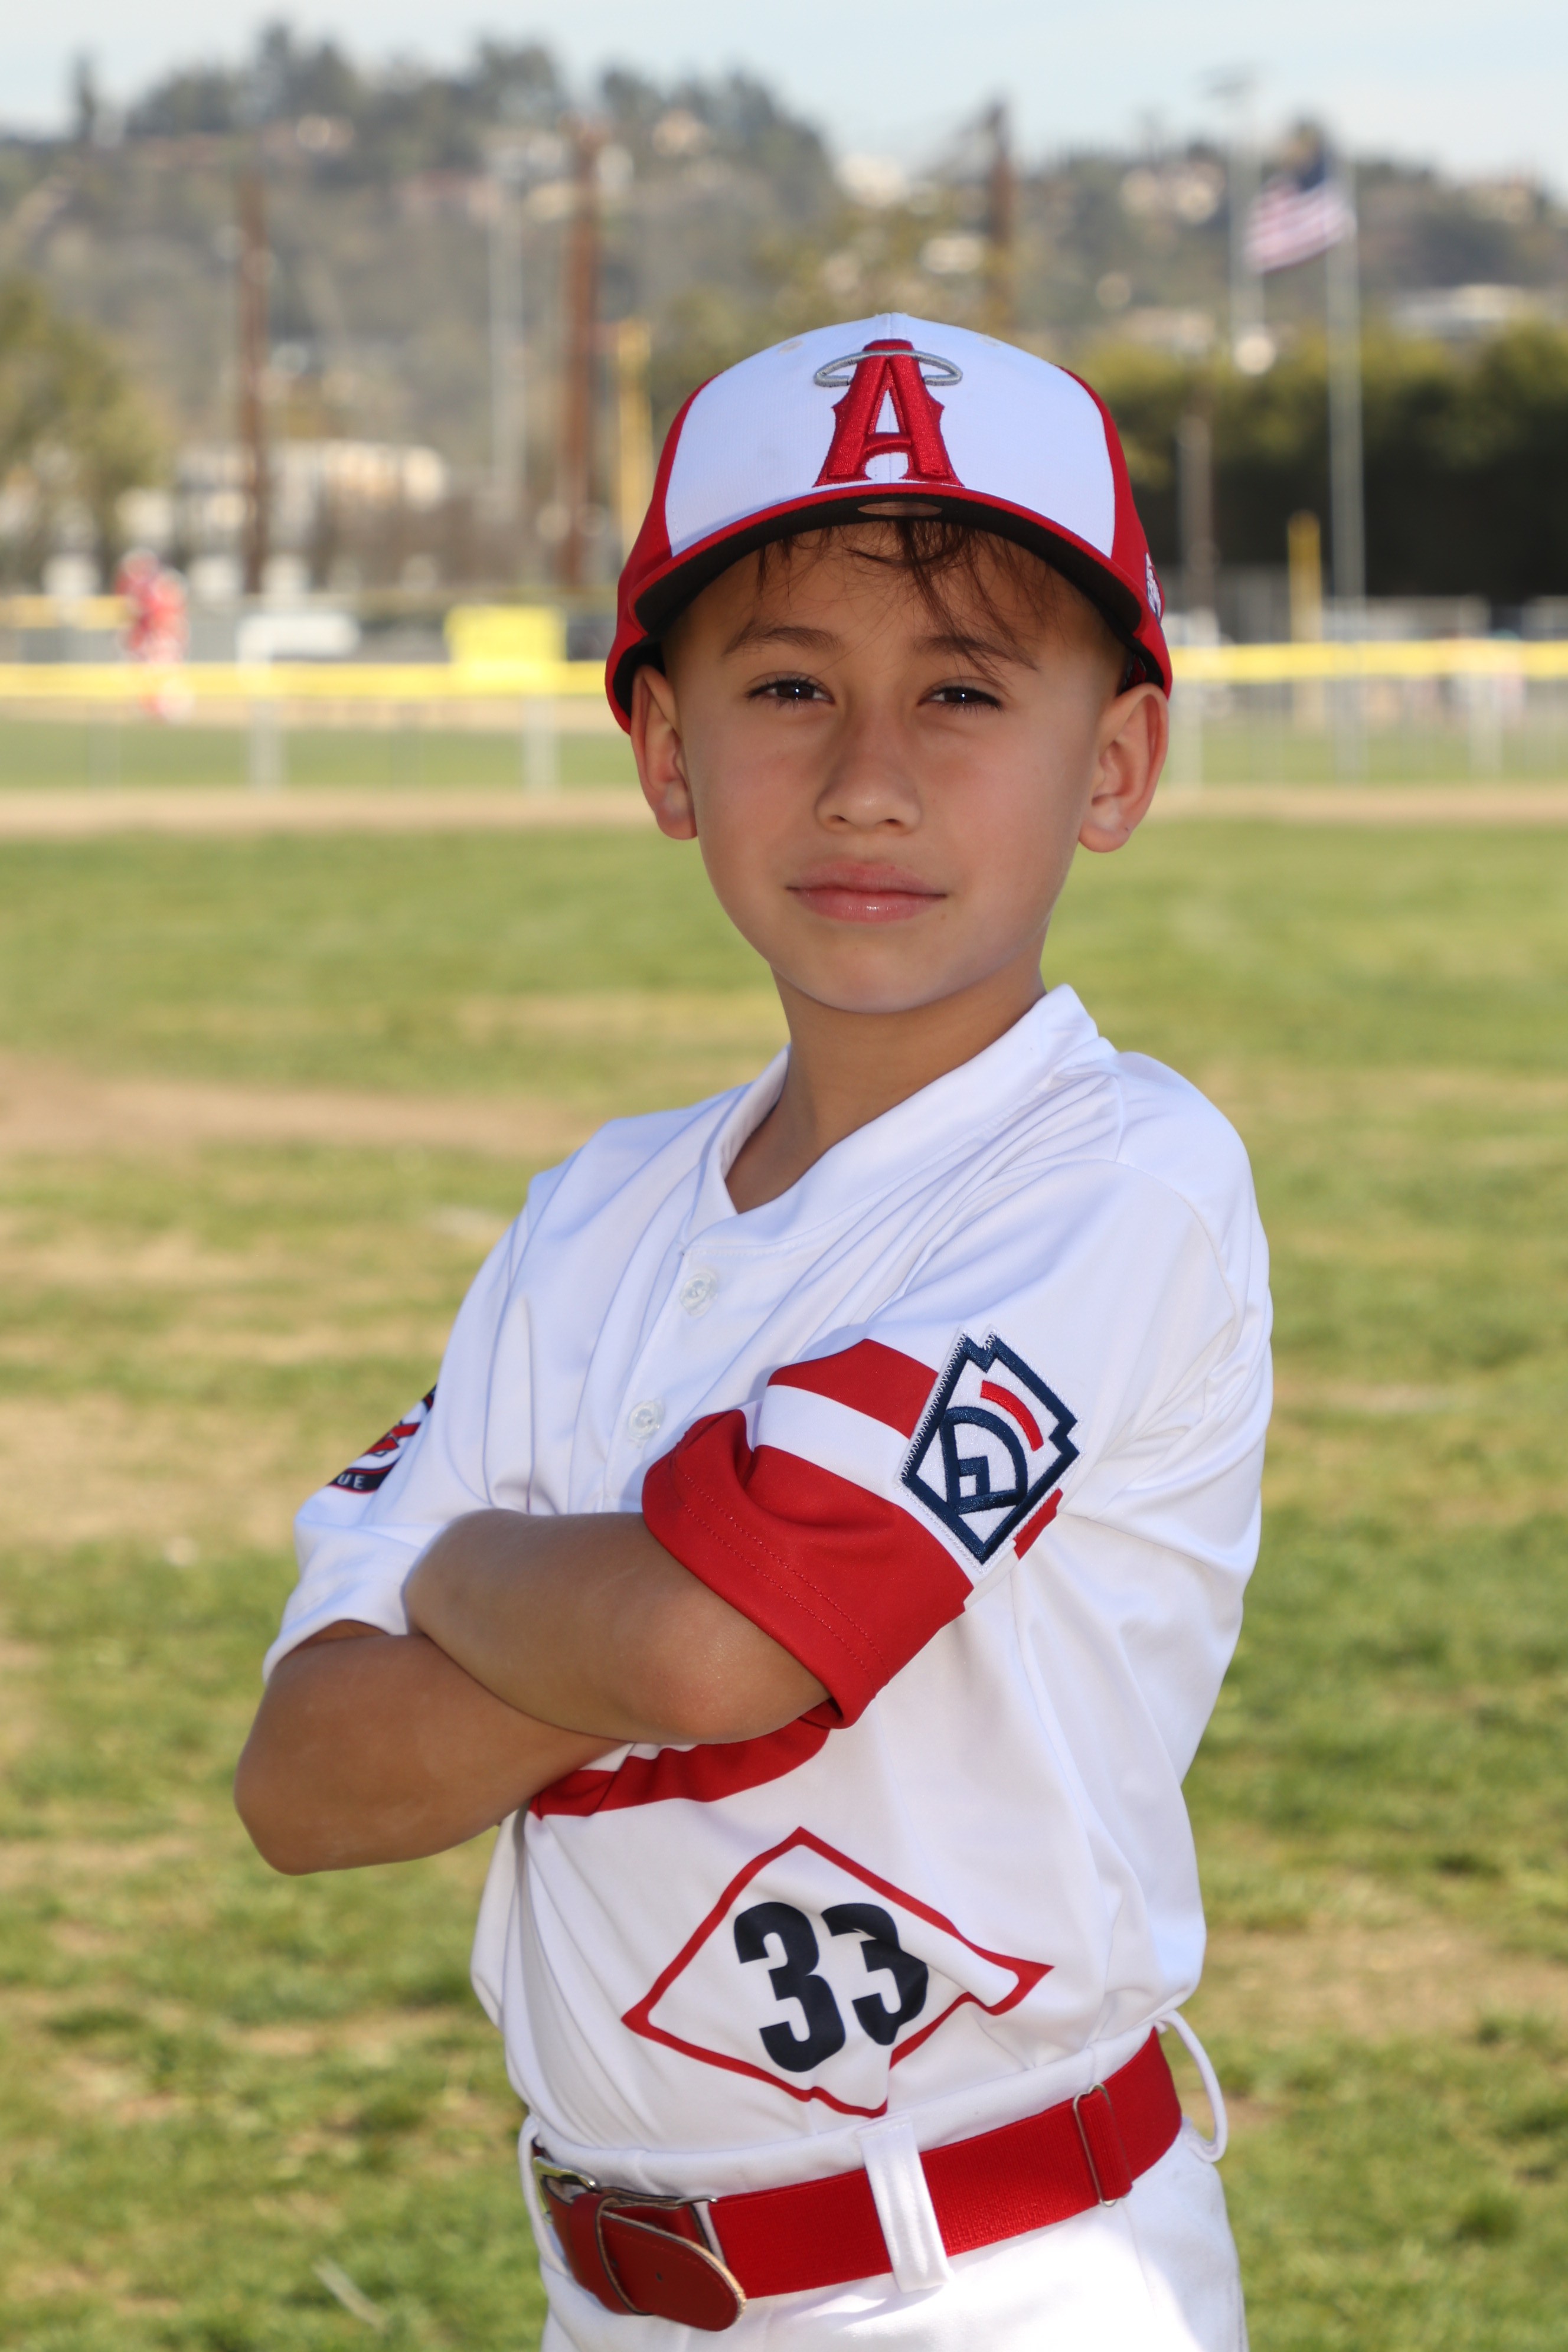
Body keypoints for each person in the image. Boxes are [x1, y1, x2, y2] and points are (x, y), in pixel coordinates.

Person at [237, 317, 1270, 2351]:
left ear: (1116, 764)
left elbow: (724, 1645)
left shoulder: (1120, 1176)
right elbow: (311, 1780)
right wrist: (646, 1579)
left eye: (963, 691)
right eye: (788, 687)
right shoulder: (594, 1215)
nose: (868, 780)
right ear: (664, 751)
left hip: (1000, 2273)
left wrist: (466, 1568)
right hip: (611, 2285)